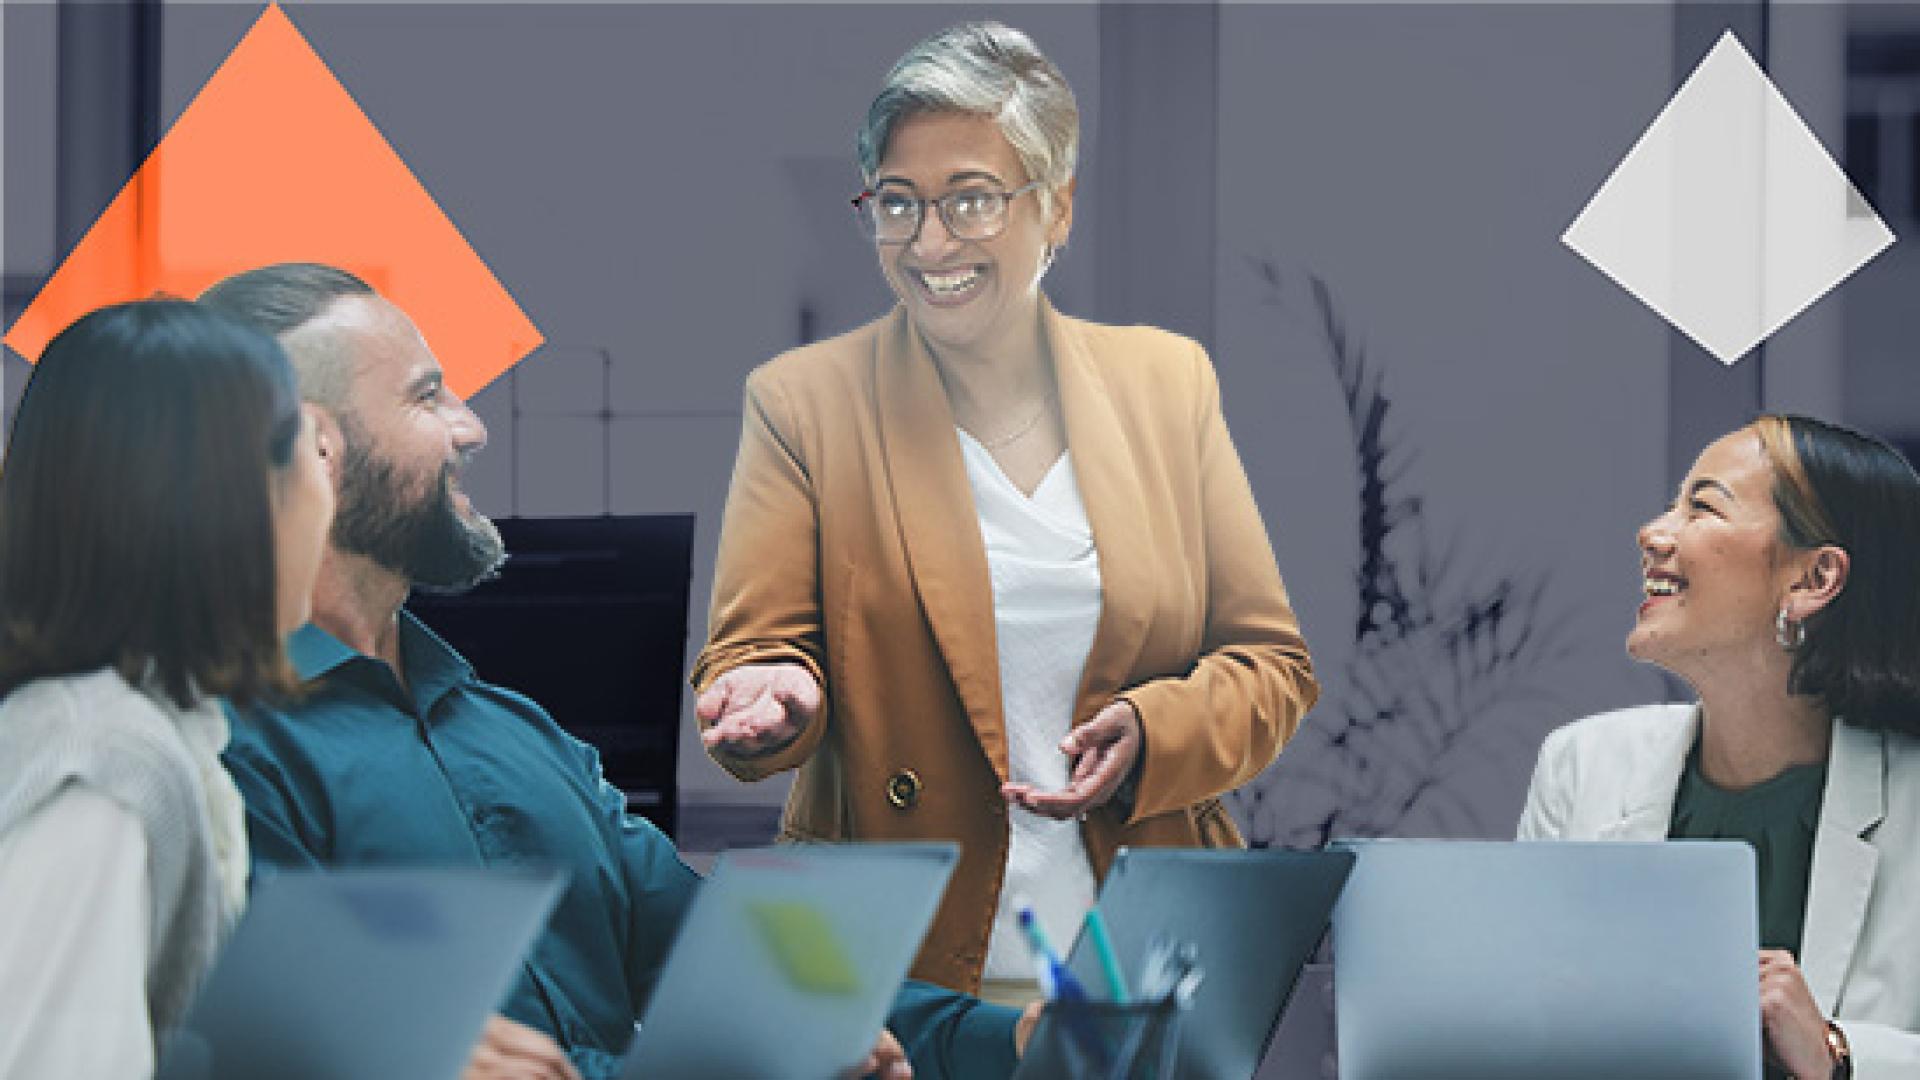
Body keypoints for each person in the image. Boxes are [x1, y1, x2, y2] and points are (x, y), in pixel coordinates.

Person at [202, 263, 1033, 1080]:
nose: (471, 427)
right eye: (427, 397)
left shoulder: (516, 731)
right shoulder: (220, 755)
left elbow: (731, 961)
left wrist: (1014, 1042)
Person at [692, 20, 1318, 1000]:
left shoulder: (1167, 384)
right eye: (897, 203)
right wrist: (779, 694)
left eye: (972, 199)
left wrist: (1152, 729)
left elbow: (1272, 667)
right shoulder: (803, 403)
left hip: (1141, 964)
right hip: (899, 969)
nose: (929, 242)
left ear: (1057, 207)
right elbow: (756, 650)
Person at [1519, 415, 1920, 1079]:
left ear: (1814, 579)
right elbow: (1525, 1024)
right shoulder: (1581, 765)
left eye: (1701, 507)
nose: (1653, 534)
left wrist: (1837, 1052)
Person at [0, 300, 333, 1078]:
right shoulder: (104, 772)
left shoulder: (134, 729)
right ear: (229, 497)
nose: (329, 491)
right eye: (313, 450)